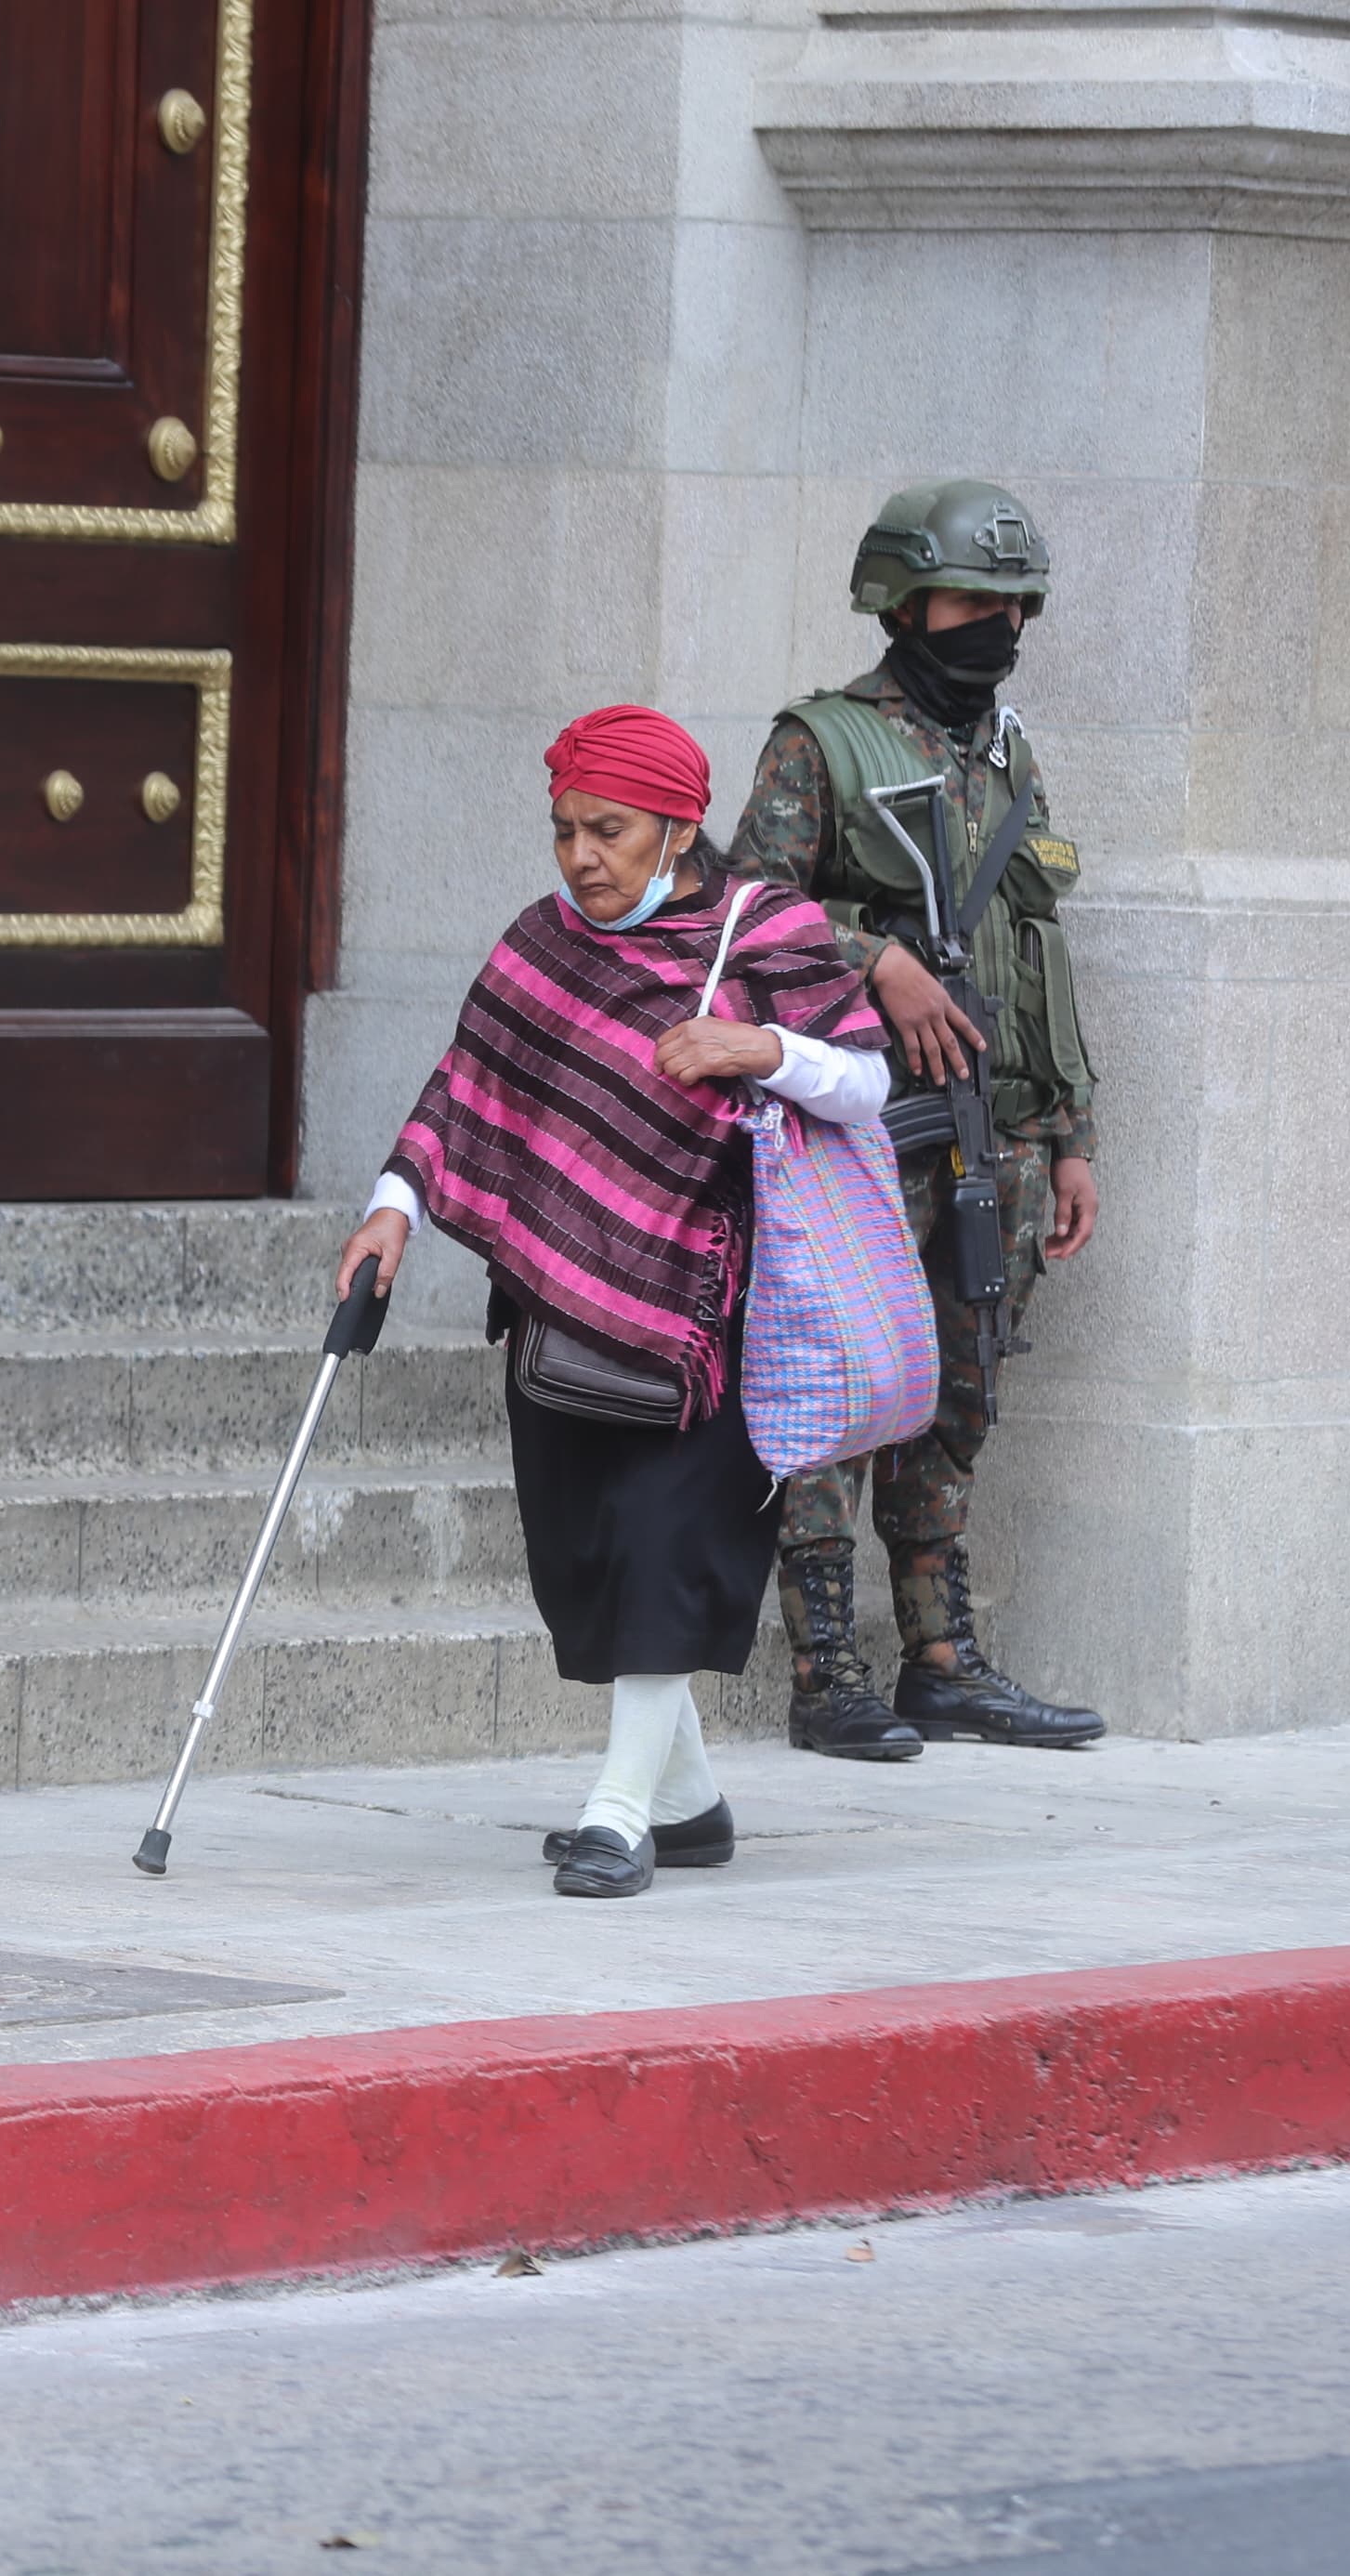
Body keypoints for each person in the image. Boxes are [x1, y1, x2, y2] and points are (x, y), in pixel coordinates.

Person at [337, 706, 893, 1897]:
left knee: (661, 1549)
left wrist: (760, 1051)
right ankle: (685, 1802)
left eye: (609, 831)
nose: (582, 857)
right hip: (561, 1304)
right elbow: (463, 1083)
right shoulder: (540, 941)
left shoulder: (770, 929)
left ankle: (618, 1813)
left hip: (717, 1313)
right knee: (584, 1560)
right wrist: (395, 1204)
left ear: (679, 826)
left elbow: (867, 1079)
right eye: (564, 832)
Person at [730, 480, 1105, 1755]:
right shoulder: (820, 743)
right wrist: (872, 958)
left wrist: (1073, 1136)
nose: (998, 624)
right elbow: (739, 920)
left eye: (1016, 604)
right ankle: (827, 1671)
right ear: (903, 599)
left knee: (961, 1395)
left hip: (993, 1133)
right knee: (845, 1397)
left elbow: (1038, 949)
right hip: (861, 1137)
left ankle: (942, 1658)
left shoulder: (1009, 751)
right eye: (973, 600)